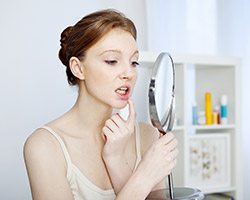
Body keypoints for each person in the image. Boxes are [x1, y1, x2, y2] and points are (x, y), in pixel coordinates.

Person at [23, 9, 178, 200]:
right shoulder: (45, 146)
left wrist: (116, 160)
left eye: (134, 62)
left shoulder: (147, 136)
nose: (128, 73)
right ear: (78, 68)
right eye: (112, 61)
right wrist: (144, 176)